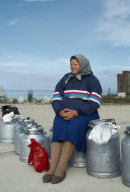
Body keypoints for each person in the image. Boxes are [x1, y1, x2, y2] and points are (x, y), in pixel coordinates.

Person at [42, 54, 102, 184]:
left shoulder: (92, 80)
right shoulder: (65, 78)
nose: (73, 67)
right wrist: (60, 112)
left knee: (73, 126)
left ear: (83, 65)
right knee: (58, 124)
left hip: (85, 115)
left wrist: (77, 112)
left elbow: (95, 102)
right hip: (65, 113)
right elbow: (57, 96)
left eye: (76, 64)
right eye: (71, 64)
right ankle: (52, 168)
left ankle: (61, 169)